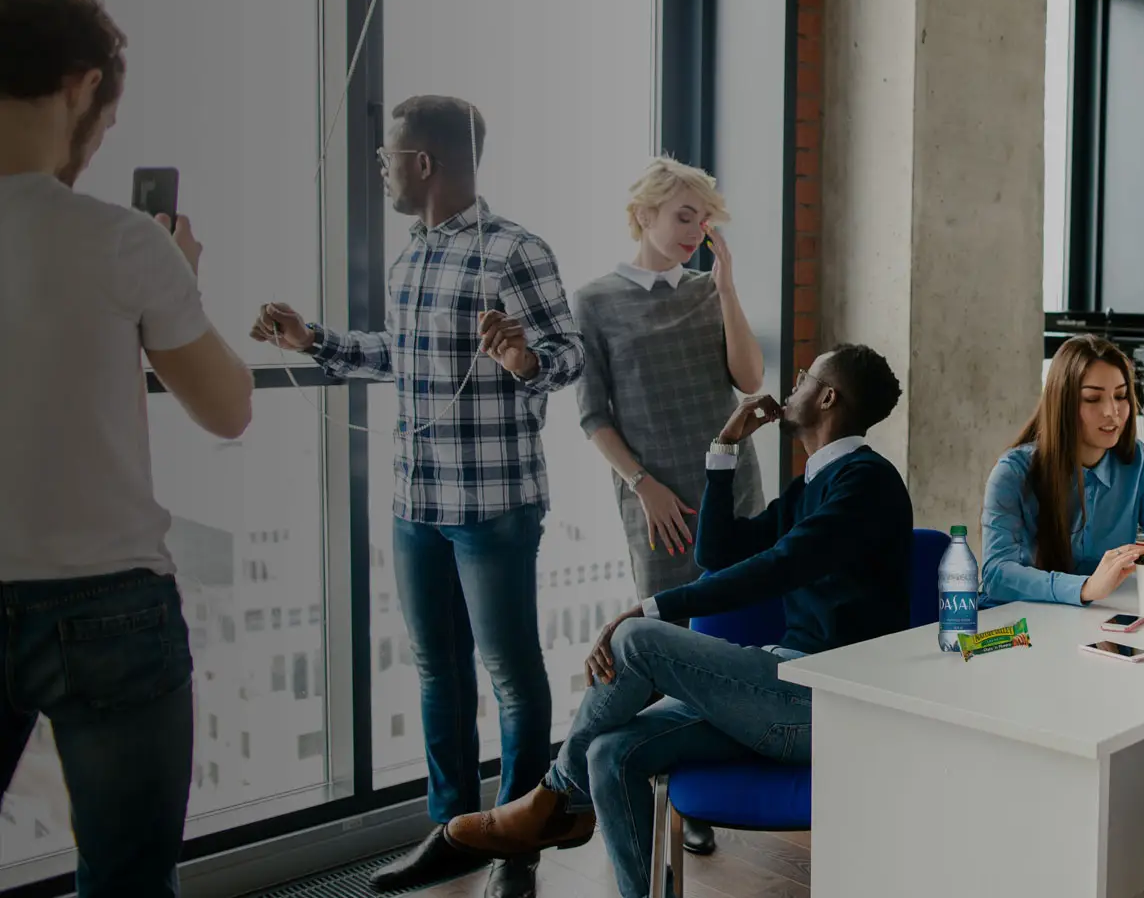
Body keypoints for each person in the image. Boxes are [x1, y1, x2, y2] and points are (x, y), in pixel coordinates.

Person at [252, 96, 585, 898]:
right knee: (438, 671)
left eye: (387, 155)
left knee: (510, 675)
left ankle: (517, 845)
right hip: (417, 505)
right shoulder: (410, 260)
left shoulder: (516, 251)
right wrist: (313, 341)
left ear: (425, 162)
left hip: (496, 506)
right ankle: (451, 835)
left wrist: (526, 360)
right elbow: (396, 357)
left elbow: (570, 354)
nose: (381, 168)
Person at [440, 345, 913, 898]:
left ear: (828, 397)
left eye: (807, 376)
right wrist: (724, 447)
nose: (796, 382)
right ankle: (601, 850)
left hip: (833, 706)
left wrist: (649, 608)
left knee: (639, 638)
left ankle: (552, 798)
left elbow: (783, 565)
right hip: (781, 687)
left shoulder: (867, 483)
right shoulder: (812, 486)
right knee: (609, 754)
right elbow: (718, 551)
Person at [0, 0, 254, 898]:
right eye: (102, 115)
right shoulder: (121, 241)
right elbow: (227, 408)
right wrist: (179, 281)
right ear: (77, 85)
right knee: (126, 882)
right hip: (107, 605)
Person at [571, 156, 764, 859]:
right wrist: (641, 484)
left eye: (703, 219)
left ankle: (719, 774)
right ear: (644, 215)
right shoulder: (593, 302)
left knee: (732, 638)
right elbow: (592, 414)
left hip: (732, 489)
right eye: (683, 215)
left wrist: (727, 286)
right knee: (673, 645)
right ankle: (678, 795)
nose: (694, 230)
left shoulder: (706, 291)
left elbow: (748, 378)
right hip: (656, 503)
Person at [982, 335, 1144, 610]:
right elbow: (996, 575)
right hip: (1015, 627)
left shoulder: (1139, 463)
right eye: (1093, 399)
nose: (1112, 412)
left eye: (1121, 396)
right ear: (1063, 403)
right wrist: (1085, 588)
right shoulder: (1012, 474)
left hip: (1094, 623)